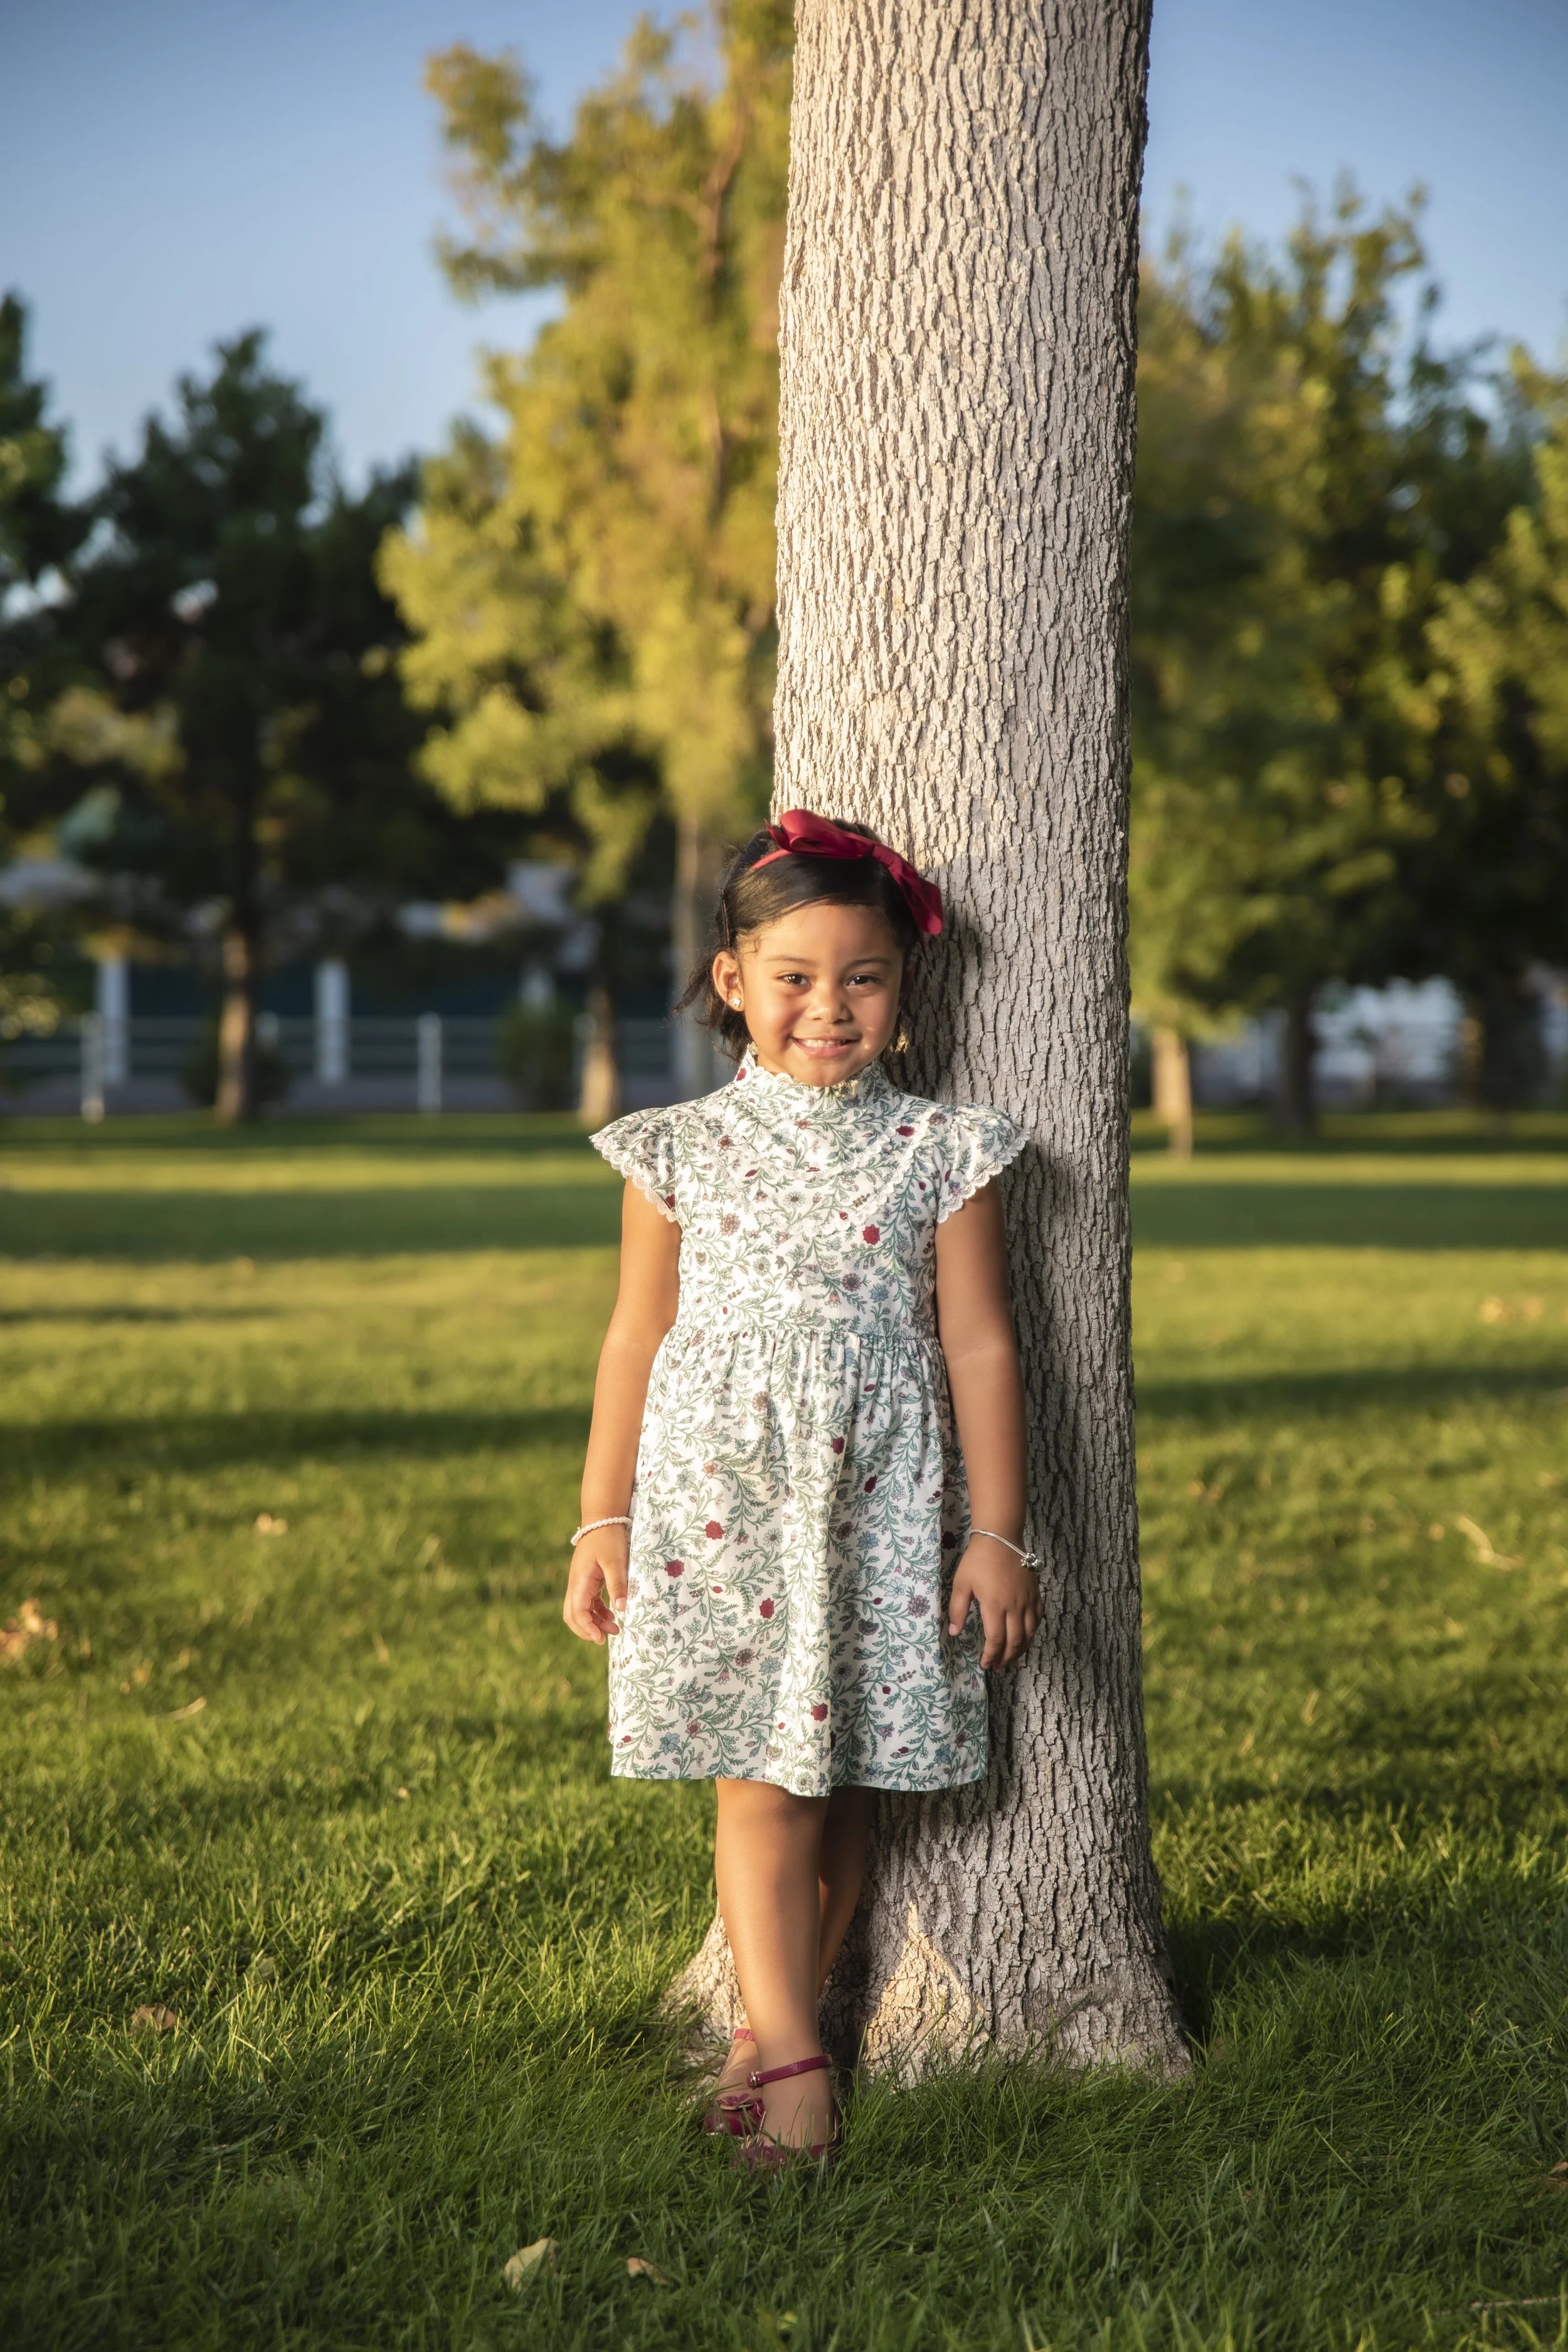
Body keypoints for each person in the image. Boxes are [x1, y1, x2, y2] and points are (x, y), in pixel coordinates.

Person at [562, 808, 1040, 2171]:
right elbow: (630, 1338)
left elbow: (979, 1343)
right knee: (758, 1782)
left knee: (842, 1780)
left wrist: (995, 1533)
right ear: (732, 982)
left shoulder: (945, 1150)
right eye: (792, 978)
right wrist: (600, 1518)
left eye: (862, 978)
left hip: (880, 1500)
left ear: (904, 989)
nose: (827, 1008)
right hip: (720, 1502)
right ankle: (797, 2060)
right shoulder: (675, 1149)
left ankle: (767, 2035)